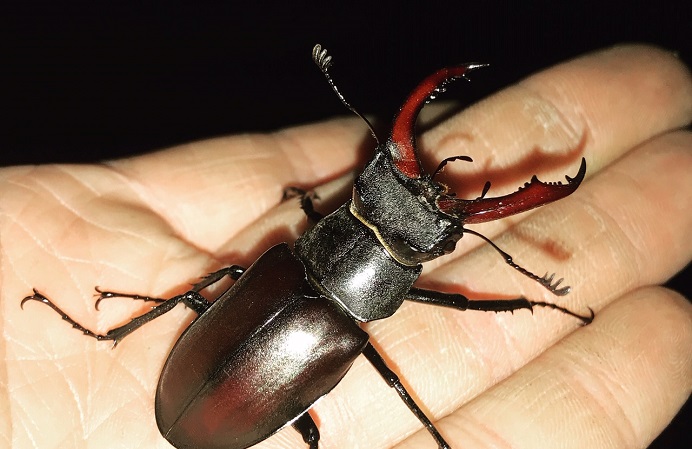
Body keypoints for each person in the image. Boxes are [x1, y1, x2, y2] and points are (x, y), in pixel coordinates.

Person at [1, 44, 690, 449]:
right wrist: (537, 305)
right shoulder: (292, 272)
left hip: (215, 397)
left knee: (204, 289)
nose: (417, 206)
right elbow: (465, 305)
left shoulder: (276, 257)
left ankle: (105, 334)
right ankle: (105, 334)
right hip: (210, 405)